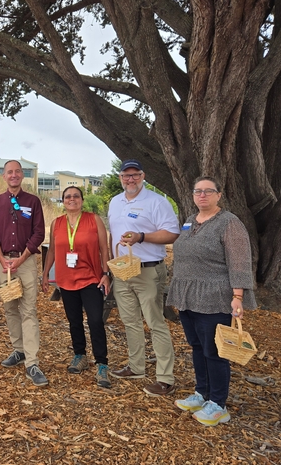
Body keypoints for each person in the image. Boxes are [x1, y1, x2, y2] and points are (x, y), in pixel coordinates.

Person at [167, 176, 256, 426]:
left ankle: (218, 404)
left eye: (208, 191)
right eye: (198, 191)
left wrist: (238, 296)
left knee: (215, 351)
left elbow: (239, 261)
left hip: (214, 296)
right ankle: (202, 393)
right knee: (197, 347)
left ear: (219, 195)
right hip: (188, 296)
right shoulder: (189, 221)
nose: (202, 195)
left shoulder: (229, 223)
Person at [107, 159, 179, 396]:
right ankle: (136, 366)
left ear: (143, 176)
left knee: (155, 322)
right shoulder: (115, 202)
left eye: (135, 175)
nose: (130, 180)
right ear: (120, 178)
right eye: (126, 176)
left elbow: (172, 234)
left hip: (148, 270)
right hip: (122, 271)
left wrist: (141, 237)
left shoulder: (157, 202)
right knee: (130, 321)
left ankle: (165, 377)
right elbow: (113, 234)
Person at [41, 186, 112, 388]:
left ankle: (102, 364)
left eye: (76, 196)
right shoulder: (57, 223)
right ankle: (79, 355)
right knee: (74, 321)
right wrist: (46, 273)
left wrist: (106, 274)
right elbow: (52, 251)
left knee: (96, 321)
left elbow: (104, 248)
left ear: (82, 199)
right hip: (66, 279)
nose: (72, 199)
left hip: (91, 278)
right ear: (63, 201)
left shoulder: (93, 219)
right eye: (68, 196)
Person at [0, 160, 47, 386]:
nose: (13, 175)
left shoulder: (32, 201)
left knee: (28, 310)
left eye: (17, 171)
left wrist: (21, 258)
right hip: (3, 262)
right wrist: (2, 258)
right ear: (4, 176)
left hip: (26, 262)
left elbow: (39, 233)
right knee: (10, 308)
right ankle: (18, 350)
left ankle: (32, 362)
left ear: (22, 175)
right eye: (9, 172)